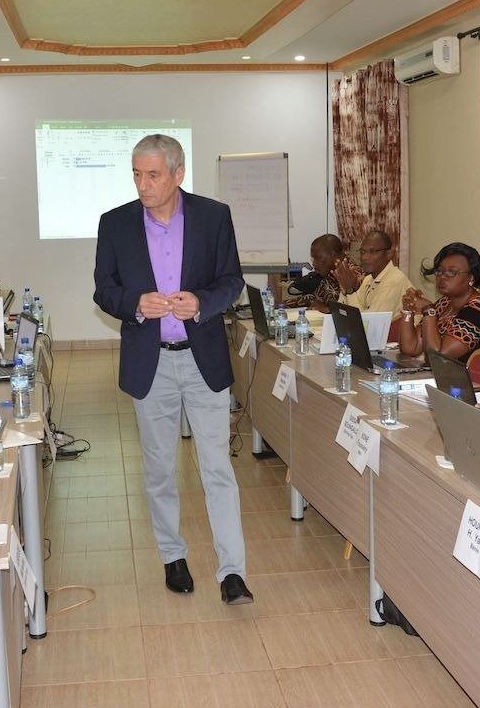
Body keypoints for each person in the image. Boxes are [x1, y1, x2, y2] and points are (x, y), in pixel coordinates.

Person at [93, 134, 252, 605]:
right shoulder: (115, 223)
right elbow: (104, 289)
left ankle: (233, 572)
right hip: (152, 362)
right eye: (136, 174)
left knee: (217, 467)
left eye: (153, 175)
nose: (143, 184)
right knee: (160, 469)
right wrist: (134, 303)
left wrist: (201, 302)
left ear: (178, 174)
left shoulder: (213, 216)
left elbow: (232, 280)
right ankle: (173, 556)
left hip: (204, 360)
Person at [398, 242, 480, 361]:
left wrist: (429, 310)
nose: (442, 277)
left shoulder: (477, 312)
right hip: (451, 373)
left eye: (451, 272)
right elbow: (411, 348)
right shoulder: (444, 303)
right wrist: (408, 310)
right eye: (439, 271)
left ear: (471, 278)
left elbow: (438, 357)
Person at [333, 229, 415, 319]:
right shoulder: (369, 278)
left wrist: (350, 291)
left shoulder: (394, 281)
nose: (364, 257)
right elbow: (343, 313)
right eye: (362, 252)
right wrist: (344, 289)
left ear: (389, 254)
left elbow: (370, 322)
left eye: (372, 252)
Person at [285, 234, 344, 312]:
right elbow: (313, 298)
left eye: (318, 258)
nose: (314, 264)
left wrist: (326, 310)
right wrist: (282, 306)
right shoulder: (329, 273)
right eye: (313, 259)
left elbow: (352, 311)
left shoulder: (353, 275)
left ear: (333, 255)